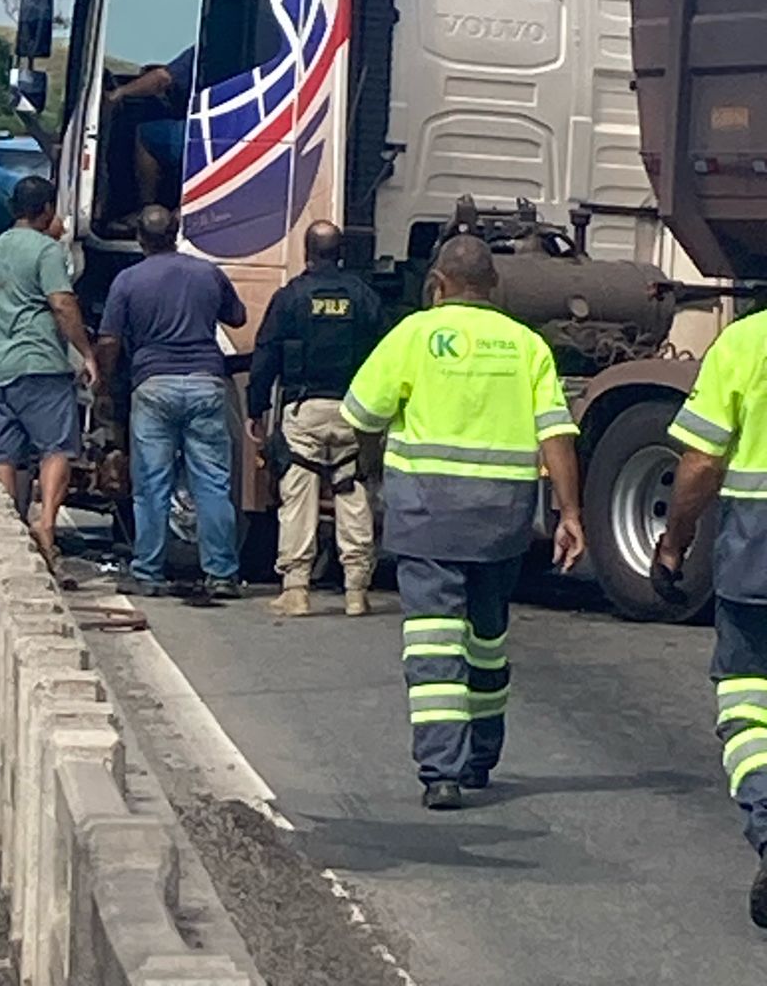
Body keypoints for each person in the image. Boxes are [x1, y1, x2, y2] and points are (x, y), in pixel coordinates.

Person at [342, 234, 585, 811]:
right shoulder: (526, 345)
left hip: (426, 515)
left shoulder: (414, 336)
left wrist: (370, 468)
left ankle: (441, 772)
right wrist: (570, 513)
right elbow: (555, 434)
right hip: (501, 519)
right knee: (486, 641)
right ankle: (481, 758)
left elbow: (361, 413)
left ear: (438, 283)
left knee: (433, 643)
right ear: (494, 287)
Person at [654, 310, 767, 927]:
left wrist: (675, 540)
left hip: (757, 556)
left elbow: (700, 463)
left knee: (747, 703)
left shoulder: (745, 343)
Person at [97, 205, 246, 597]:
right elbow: (238, 317)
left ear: (140, 239)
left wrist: (106, 388)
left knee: (151, 485)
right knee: (213, 484)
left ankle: (149, 571)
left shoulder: (127, 281)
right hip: (205, 383)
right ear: (176, 232)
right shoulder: (207, 273)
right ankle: (221, 574)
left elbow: (109, 340)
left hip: (153, 386)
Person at [247, 220, 384, 618]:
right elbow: (382, 355)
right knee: (352, 491)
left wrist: (256, 409)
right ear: (340, 253)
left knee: (298, 496)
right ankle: (356, 589)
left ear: (307, 253)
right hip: (352, 411)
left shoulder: (291, 297)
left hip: (304, 409)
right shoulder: (363, 296)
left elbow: (266, 354)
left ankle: (296, 589)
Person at [0, 176, 99, 565]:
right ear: (45, 210)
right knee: (57, 448)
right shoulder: (46, 252)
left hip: (1, 370)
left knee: (6, 455)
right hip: (41, 363)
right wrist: (86, 353)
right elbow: (62, 303)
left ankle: (9, 529)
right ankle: (45, 524)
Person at [107, 48, 195, 208]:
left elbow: (162, 79)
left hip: (209, 131)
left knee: (146, 136)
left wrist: (119, 93)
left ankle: (147, 208)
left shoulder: (209, 48)